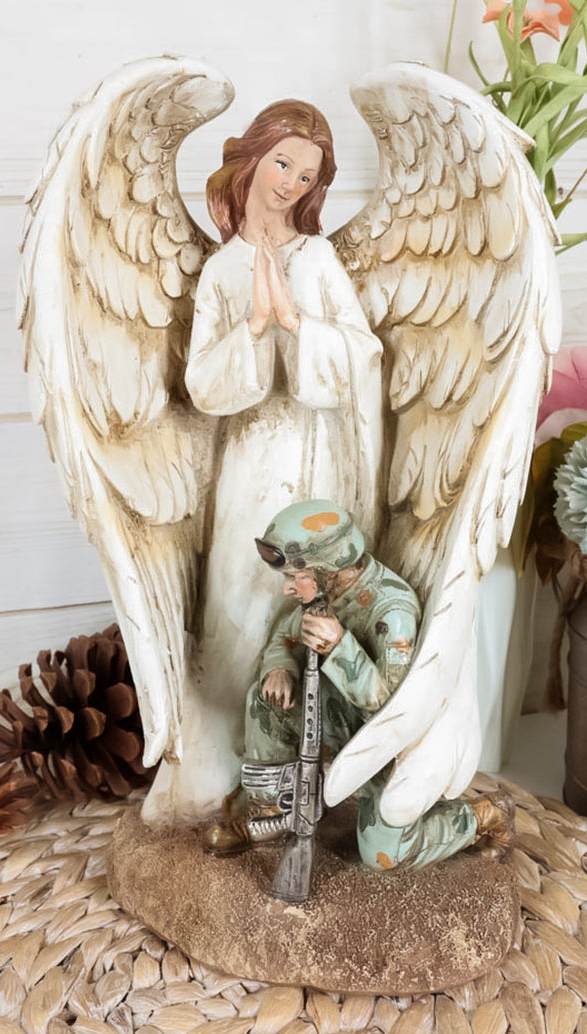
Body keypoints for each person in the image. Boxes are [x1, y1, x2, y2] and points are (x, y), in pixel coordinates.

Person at [143, 102, 384, 822]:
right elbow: (203, 385)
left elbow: (362, 350)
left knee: (312, 587)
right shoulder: (221, 272)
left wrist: (296, 325)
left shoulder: (316, 258)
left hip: (319, 453)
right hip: (250, 458)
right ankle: (237, 752)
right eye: (281, 162)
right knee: (245, 588)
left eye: (305, 174)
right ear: (251, 159)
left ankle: (317, 753)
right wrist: (252, 326)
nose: (288, 183)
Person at [205, 499, 515, 869]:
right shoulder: (324, 593)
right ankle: (271, 809)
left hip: (380, 745)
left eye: (294, 577)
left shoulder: (391, 612)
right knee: (264, 699)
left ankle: (483, 814)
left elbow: (389, 705)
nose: (288, 588)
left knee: (384, 856)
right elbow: (283, 640)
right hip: (332, 718)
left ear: (328, 567)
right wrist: (279, 668)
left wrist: (338, 646)